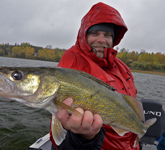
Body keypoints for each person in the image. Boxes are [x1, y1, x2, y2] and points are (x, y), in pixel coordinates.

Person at [50, 2, 139, 150]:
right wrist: (84, 138)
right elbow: (61, 130)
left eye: (107, 35)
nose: (101, 40)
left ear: (114, 39)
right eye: (94, 33)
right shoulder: (73, 61)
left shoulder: (122, 67)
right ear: (84, 35)